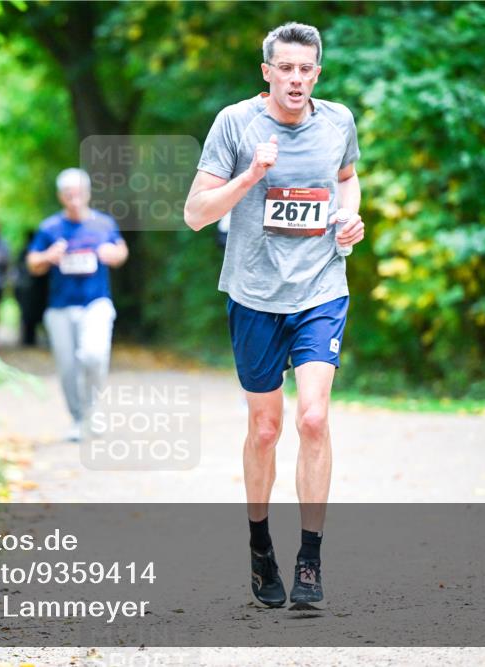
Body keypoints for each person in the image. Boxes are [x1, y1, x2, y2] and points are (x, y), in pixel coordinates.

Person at [183, 22, 365, 608]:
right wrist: (252, 176)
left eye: (305, 69)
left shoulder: (337, 121)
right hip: (255, 295)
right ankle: (260, 545)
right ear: (267, 72)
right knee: (265, 429)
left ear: (317, 73)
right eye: (284, 68)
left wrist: (348, 218)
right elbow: (195, 214)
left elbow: (347, 179)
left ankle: (310, 557)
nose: (295, 78)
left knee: (313, 418)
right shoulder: (235, 124)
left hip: (320, 288)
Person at [26, 168, 128, 442]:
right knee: (68, 368)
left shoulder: (103, 224)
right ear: (61, 196)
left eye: (79, 193)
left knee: (94, 355)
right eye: (69, 194)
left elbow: (121, 251)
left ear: (87, 193)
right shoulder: (50, 228)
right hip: (60, 307)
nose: (74, 199)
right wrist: (48, 256)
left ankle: (94, 410)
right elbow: (32, 263)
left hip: (96, 303)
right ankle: (78, 418)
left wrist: (113, 254)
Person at [14, 229, 49, 347]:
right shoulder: (33, 252)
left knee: (30, 316)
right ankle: (28, 340)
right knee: (29, 316)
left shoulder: (34, 252)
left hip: (33, 289)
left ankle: (29, 340)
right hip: (30, 290)